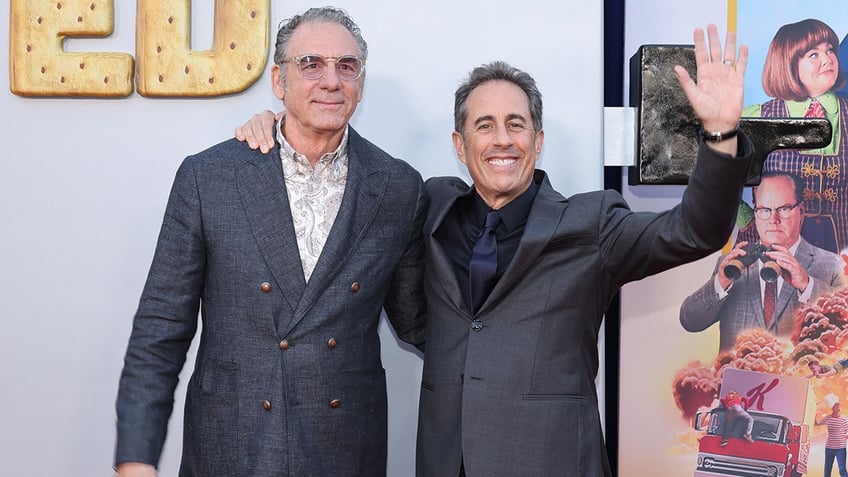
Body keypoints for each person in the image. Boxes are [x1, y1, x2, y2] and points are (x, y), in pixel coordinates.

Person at [237, 25, 751, 476]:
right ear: (460, 146)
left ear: (538, 139)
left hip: (549, 461)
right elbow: (351, 174)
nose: (501, 140)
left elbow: (695, 232)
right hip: (444, 460)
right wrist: (281, 127)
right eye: (484, 126)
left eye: (516, 124)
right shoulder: (430, 204)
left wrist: (721, 134)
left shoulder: (592, 223)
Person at [114, 7, 427, 477]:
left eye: (347, 66)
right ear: (279, 81)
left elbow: (417, 320)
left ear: (361, 82)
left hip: (343, 451)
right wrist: (136, 458)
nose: (331, 80)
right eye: (311, 65)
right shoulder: (210, 177)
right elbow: (160, 329)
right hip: (233, 444)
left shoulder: (399, 186)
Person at [680, 171, 846, 351]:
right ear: (756, 213)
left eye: (783, 209)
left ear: (802, 211)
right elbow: (690, 321)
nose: (774, 220)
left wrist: (807, 285)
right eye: (765, 210)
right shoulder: (731, 264)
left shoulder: (833, 265)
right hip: (738, 375)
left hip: (804, 376)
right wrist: (720, 283)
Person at [737, 19, 848, 253]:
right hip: (771, 252)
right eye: (813, 54)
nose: (827, 59)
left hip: (841, 254)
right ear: (788, 64)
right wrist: (746, 219)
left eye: (830, 50)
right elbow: (712, 173)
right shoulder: (759, 117)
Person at [815, 396, 848, 477]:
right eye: (836, 406)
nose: (838, 407)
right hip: (829, 448)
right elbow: (816, 423)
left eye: (838, 406)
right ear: (832, 408)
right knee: (827, 469)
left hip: (841, 449)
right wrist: (814, 410)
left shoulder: (844, 420)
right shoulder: (827, 418)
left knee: (842, 470)